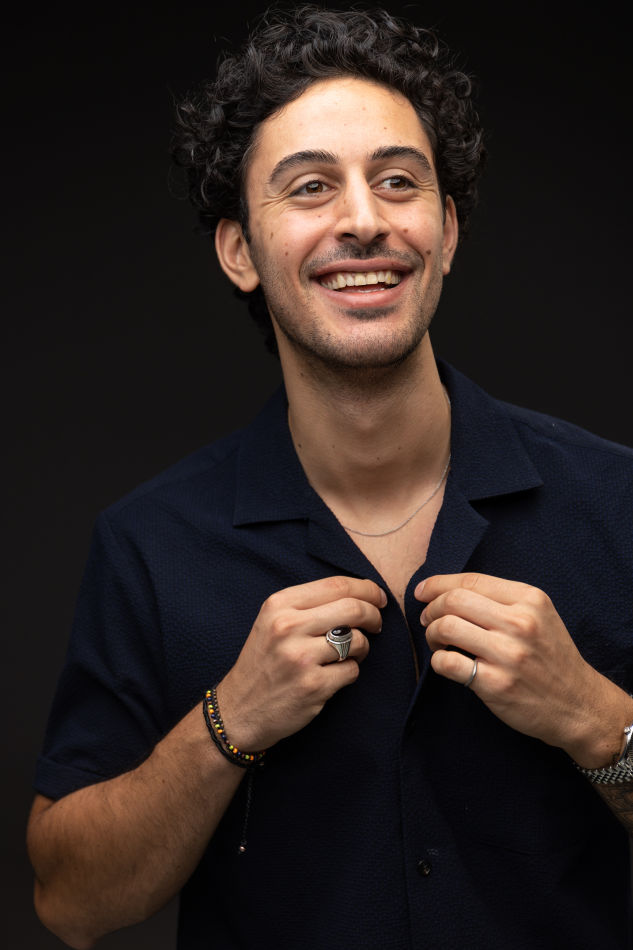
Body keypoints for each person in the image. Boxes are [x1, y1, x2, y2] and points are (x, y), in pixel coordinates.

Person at [27, 6, 633, 949]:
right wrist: (227, 723)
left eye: (398, 181)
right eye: (310, 188)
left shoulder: (616, 502)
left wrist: (597, 722)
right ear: (239, 251)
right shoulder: (148, 545)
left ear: (446, 230)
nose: (363, 220)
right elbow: (71, 905)